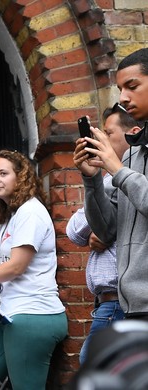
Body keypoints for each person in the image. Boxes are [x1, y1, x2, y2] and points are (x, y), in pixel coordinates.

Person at [0, 149, 67, 390]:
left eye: (3, 173)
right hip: (12, 316)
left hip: (34, 315)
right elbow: (2, 260)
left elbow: (17, 265)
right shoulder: (12, 216)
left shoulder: (31, 212)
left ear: (21, 177)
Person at [74, 47, 148, 319]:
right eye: (120, 89)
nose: (124, 98)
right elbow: (105, 231)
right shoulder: (132, 154)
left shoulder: (123, 162)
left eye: (132, 86)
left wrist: (116, 168)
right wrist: (92, 179)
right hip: (131, 307)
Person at [67, 105, 141, 364]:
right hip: (108, 303)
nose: (99, 139)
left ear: (134, 133)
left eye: (107, 133)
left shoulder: (128, 175)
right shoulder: (108, 179)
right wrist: (94, 180)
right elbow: (74, 231)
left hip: (123, 303)